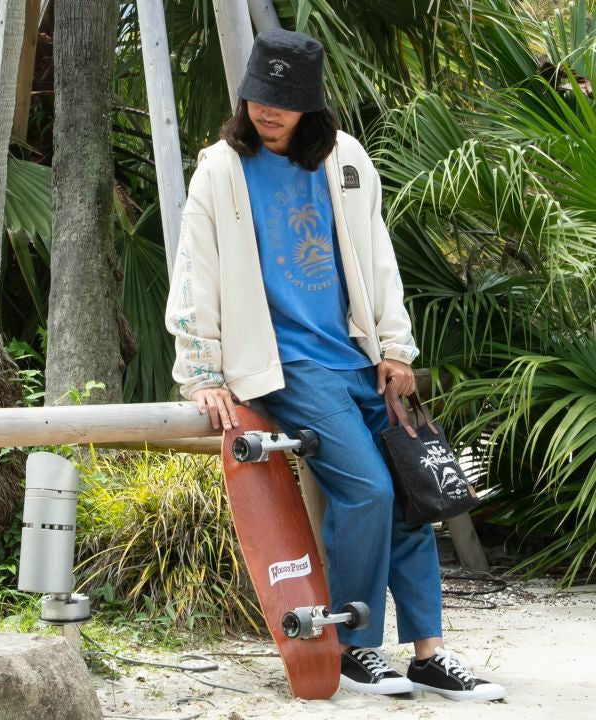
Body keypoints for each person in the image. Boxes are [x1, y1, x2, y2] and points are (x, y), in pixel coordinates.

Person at [166, 28, 505, 702]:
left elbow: (377, 257)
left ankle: (429, 652)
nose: (268, 110)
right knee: (369, 490)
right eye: (259, 96)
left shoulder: (344, 159)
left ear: (311, 104)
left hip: (354, 355)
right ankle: (352, 645)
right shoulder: (220, 170)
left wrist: (395, 347)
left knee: (409, 493)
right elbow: (195, 273)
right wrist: (201, 372)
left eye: (285, 100)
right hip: (286, 364)